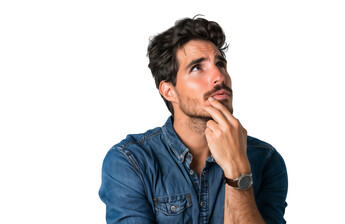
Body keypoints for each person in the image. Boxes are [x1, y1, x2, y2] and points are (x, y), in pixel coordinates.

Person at [99, 16, 288, 224]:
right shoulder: (131, 161)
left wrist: (238, 172)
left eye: (220, 64)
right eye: (197, 67)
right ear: (169, 91)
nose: (219, 76)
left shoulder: (266, 160)